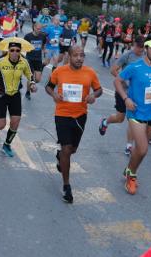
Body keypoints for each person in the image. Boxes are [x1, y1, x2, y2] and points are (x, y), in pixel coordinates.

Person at [114, 37, 151, 195]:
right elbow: (118, 81)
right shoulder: (135, 66)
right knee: (143, 149)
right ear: (146, 49)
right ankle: (131, 177)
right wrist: (126, 99)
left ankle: (129, 170)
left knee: (140, 150)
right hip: (136, 112)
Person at [45, 45, 102, 203]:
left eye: (82, 55)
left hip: (80, 115)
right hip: (62, 114)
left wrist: (93, 95)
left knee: (72, 150)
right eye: (76, 55)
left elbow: (99, 89)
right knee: (66, 148)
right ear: (69, 56)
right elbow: (48, 87)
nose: (79, 58)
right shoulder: (59, 71)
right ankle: (66, 186)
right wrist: (54, 94)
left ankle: (60, 156)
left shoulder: (90, 72)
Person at [0, 38, 36, 157]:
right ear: (8, 50)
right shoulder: (0, 61)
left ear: (20, 51)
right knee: (1, 124)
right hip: (1, 94)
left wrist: (32, 83)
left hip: (15, 95)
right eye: (12, 50)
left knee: (15, 121)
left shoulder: (24, 62)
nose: (14, 52)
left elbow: (30, 74)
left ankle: (7, 144)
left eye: (17, 50)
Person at [98, 36, 145, 155]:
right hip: (122, 92)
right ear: (134, 45)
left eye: (142, 48)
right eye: (138, 47)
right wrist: (124, 82)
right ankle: (105, 122)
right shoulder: (127, 56)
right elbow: (113, 70)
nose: (140, 50)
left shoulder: (146, 57)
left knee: (133, 120)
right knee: (120, 118)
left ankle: (129, 146)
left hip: (137, 94)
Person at [23, 22, 47, 100]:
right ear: (34, 27)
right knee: (31, 77)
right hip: (29, 59)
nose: (39, 30)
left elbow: (43, 45)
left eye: (40, 29)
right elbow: (24, 46)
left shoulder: (42, 36)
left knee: (38, 80)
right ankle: (27, 92)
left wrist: (44, 50)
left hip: (38, 59)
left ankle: (42, 67)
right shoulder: (28, 36)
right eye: (38, 28)